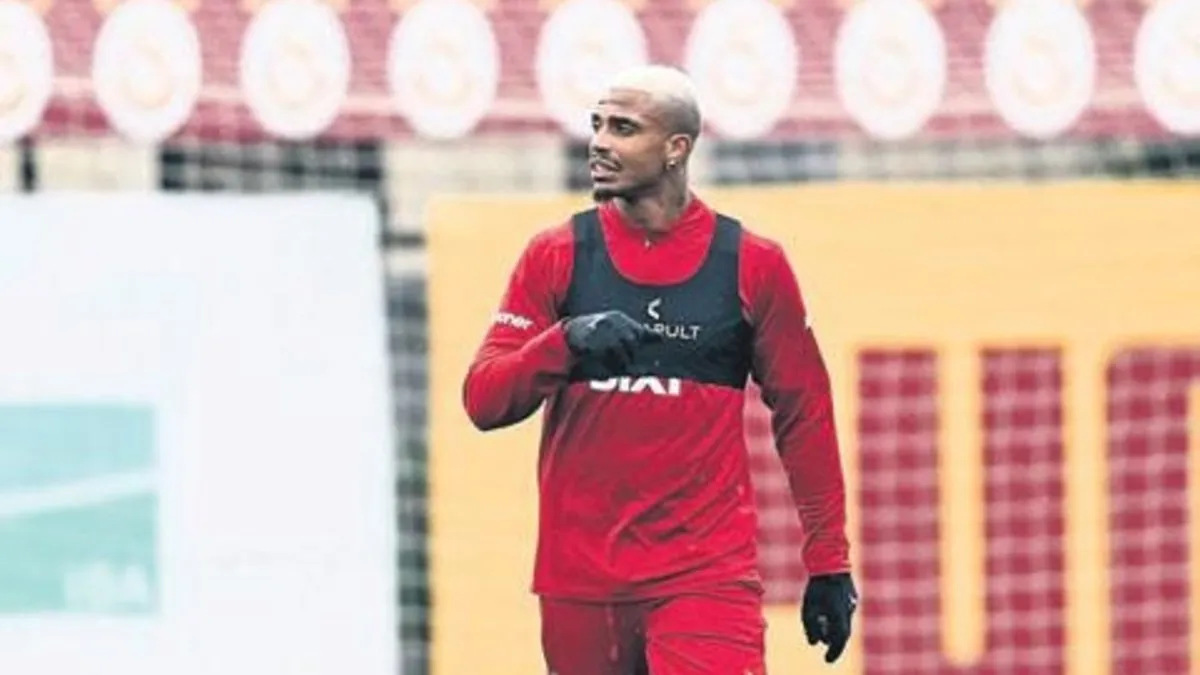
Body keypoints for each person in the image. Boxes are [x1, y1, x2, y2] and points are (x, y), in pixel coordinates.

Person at [462, 64, 857, 674]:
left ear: (677, 148)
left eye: (623, 128)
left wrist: (828, 561)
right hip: (580, 584)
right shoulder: (555, 255)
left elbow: (806, 414)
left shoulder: (753, 265)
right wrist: (564, 343)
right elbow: (484, 401)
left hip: (706, 577)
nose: (599, 142)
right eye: (597, 125)